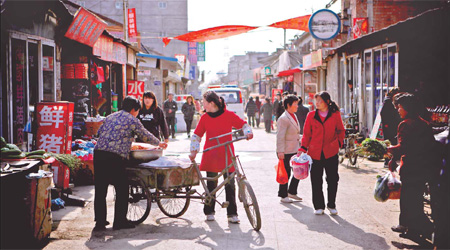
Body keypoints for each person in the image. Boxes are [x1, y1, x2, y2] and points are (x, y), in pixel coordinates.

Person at [94, 96, 167, 231]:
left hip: (98, 154)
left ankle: (100, 222)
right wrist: (159, 143)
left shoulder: (110, 117)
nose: (137, 113)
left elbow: (98, 134)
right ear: (134, 109)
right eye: (137, 111)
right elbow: (145, 135)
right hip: (115, 157)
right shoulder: (132, 120)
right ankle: (120, 221)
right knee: (122, 188)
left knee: (100, 189)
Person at [189, 91, 253, 223]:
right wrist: (194, 151)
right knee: (211, 183)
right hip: (211, 154)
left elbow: (243, 124)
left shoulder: (229, 115)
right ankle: (209, 211)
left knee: (230, 184)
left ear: (211, 103)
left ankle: (232, 214)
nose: (202, 104)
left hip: (227, 154)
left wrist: (248, 132)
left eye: (204, 102)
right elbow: (196, 135)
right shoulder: (205, 118)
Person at [387, 93, 440, 240]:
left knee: (411, 200)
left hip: (411, 167)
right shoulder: (424, 123)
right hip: (425, 167)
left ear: (407, 108)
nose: (398, 110)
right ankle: (415, 229)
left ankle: (422, 229)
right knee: (415, 199)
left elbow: (405, 147)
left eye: (400, 107)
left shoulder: (405, 124)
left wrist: (391, 150)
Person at [299, 91, 345, 215]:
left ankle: (331, 204)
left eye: (320, 101)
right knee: (316, 180)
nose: (317, 103)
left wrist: (338, 143)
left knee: (332, 179)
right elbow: (307, 134)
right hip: (315, 153)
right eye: (316, 101)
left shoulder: (335, 115)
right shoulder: (311, 115)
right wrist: (303, 148)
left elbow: (341, 130)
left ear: (327, 102)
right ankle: (319, 206)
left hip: (331, 151)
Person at [276, 95, 303, 203]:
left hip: (295, 149)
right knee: (286, 173)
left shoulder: (293, 116)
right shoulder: (283, 118)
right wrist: (280, 151)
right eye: (295, 103)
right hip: (286, 150)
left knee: (299, 170)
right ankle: (283, 195)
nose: (297, 106)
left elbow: (295, 133)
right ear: (288, 105)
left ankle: (292, 191)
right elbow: (280, 136)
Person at [380, 88, 401, 167]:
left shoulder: (390, 100)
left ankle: (391, 161)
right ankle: (387, 161)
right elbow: (383, 113)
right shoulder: (388, 101)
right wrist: (386, 124)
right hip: (388, 126)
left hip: (391, 125)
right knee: (389, 142)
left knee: (392, 142)